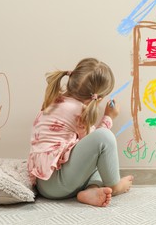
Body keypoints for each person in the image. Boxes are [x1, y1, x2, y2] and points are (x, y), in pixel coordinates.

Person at [27, 58, 133, 207]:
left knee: (96, 160)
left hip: (42, 184)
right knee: (105, 137)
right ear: (97, 98)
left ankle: (92, 190)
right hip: (57, 184)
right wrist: (109, 117)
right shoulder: (78, 111)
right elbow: (98, 140)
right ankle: (115, 187)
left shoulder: (54, 101)